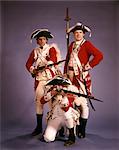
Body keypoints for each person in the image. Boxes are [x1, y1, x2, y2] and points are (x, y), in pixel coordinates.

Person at [64, 22, 103, 138]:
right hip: (70, 77)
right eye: (76, 33)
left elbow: (99, 55)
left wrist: (89, 65)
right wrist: (65, 72)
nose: (78, 34)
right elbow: (67, 59)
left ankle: (82, 130)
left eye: (80, 32)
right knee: (70, 101)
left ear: (84, 34)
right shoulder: (71, 45)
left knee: (83, 104)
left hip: (81, 78)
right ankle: (72, 128)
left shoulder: (87, 44)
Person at [26, 29, 61, 136]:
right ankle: (39, 127)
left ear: (46, 40)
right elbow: (28, 64)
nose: (42, 41)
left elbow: (53, 60)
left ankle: (54, 127)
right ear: (37, 41)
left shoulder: (51, 49)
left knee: (52, 103)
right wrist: (34, 69)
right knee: (39, 103)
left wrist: (47, 64)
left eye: (44, 39)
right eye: (40, 39)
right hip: (40, 80)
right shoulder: (35, 51)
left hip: (50, 80)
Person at [40, 76, 80, 146]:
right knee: (48, 138)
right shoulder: (51, 90)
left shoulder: (69, 91)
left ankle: (71, 136)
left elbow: (66, 108)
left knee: (68, 114)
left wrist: (64, 96)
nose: (59, 87)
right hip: (56, 117)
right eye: (57, 86)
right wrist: (52, 93)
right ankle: (58, 129)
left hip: (67, 118)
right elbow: (42, 101)